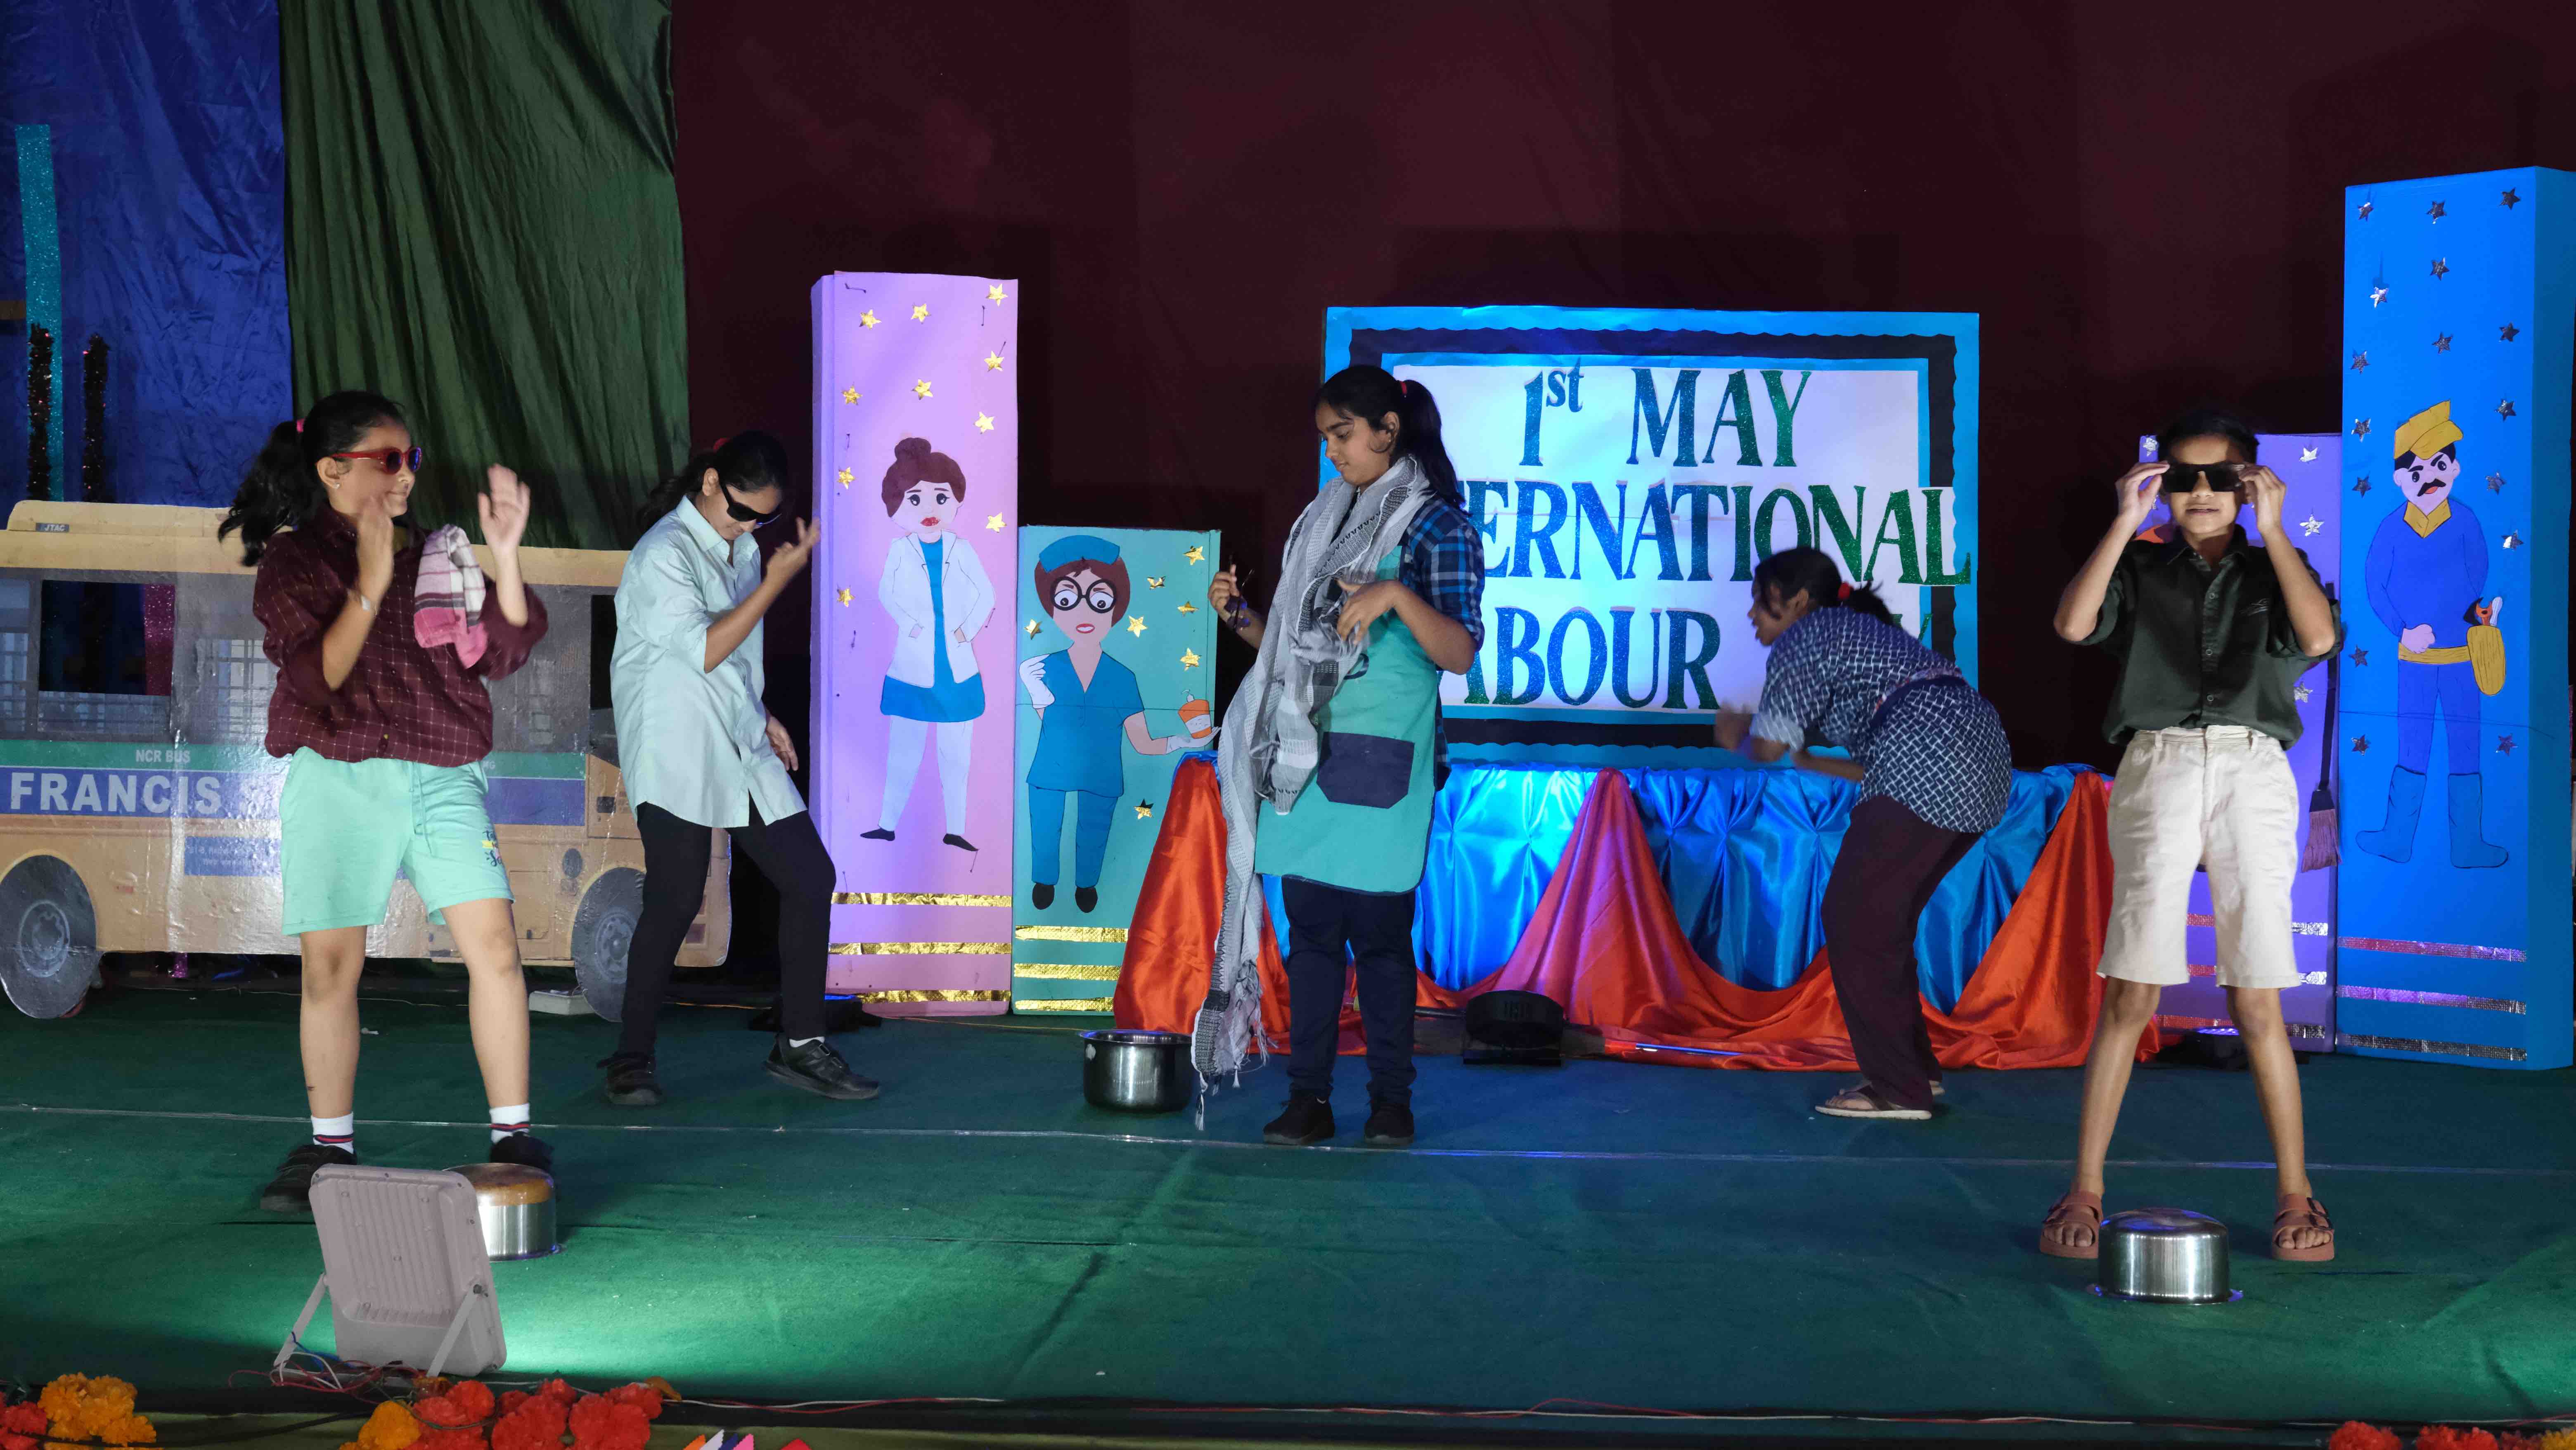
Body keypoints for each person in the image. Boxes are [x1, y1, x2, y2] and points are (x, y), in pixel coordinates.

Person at [222, 390, 554, 1213]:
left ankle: (514, 1136)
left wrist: (506, 554)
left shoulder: (439, 552)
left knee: (496, 947)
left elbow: (506, 648)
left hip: (443, 769)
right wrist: (370, 581)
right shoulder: (296, 560)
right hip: (339, 772)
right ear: (333, 469)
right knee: (332, 966)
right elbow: (315, 678)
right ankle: (328, 1145)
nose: (406, 476)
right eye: (389, 460)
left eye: (412, 459)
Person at [2042, 408, 2342, 1262]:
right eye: (2183, 477)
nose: (2201, 492)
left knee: (2258, 997)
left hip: (2254, 767)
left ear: (2250, 484)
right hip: (2160, 761)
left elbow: (2319, 637)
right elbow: (2072, 625)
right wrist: (2123, 522)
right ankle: (2085, 1188)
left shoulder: (2279, 567)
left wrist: (2275, 530)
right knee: (2131, 988)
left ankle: (2297, 1193)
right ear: (2160, 485)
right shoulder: (2140, 565)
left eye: (2221, 477)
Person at [1201, 365, 1485, 1149]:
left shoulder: (1437, 526)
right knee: (1313, 945)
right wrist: (1242, 617)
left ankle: (1392, 1102)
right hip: (1304, 759)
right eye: (1326, 439)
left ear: (1389, 430)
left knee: (1384, 946)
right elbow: (1296, 655)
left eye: (1343, 435)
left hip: (1383, 763)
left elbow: (1459, 652)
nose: (1333, 453)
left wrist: (1396, 596)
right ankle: (1309, 1100)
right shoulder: (1324, 521)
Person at [597, 432, 876, 1106]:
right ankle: (631, 1059)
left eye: (764, 519)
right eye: (744, 511)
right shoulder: (663, 552)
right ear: (711, 482)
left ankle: (800, 1044)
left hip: (738, 733)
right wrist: (779, 580)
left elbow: (732, 659)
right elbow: (702, 649)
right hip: (675, 739)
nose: (752, 526)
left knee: (810, 876)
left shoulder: (742, 550)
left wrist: (763, 712)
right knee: (675, 897)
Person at [1712, 547, 2011, 1120]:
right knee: (1882, 923)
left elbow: (1767, 748)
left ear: (1797, 601)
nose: (1752, 615)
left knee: (1854, 918)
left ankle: (1897, 1088)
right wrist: (1810, 761)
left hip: (1930, 760)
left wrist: (1736, 735)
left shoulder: (1809, 633)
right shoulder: (1864, 636)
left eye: (1760, 600)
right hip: (1982, 761)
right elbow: (1873, 760)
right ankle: (1915, 1071)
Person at [1018, 535, 1206, 913]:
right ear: (1053, 610)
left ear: (1115, 609)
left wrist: (1183, 741)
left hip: (1102, 773)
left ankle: (1086, 884)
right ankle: (1044, 879)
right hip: (1051, 768)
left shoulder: (1122, 678)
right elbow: (1051, 722)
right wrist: (1034, 689)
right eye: (1067, 600)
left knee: (1094, 830)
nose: (1083, 613)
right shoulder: (1044, 668)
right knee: (1045, 825)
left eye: (1099, 600)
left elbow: (1142, 743)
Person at [862, 437, 993, 852]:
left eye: (941, 496)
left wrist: (966, 631)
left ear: (956, 499)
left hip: (957, 670)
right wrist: (912, 624)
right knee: (903, 753)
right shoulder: (900, 550)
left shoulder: (963, 549)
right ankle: (886, 825)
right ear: (897, 506)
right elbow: (886, 592)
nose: (930, 509)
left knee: (956, 757)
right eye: (915, 499)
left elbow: (986, 595)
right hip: (913, 668)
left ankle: (956, 829)